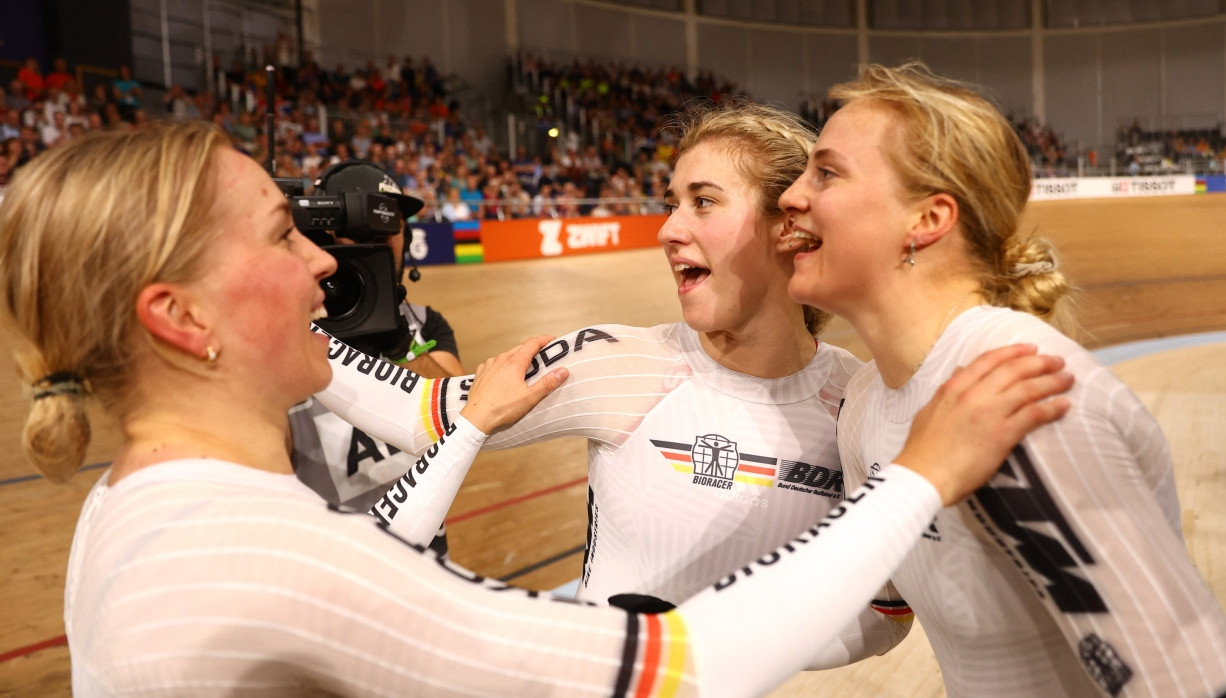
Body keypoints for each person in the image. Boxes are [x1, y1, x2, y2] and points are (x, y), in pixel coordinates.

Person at [0, 121, 1072, 697]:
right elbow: (681, 666)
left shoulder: (142, 508)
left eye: (704, 200)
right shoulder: (264, 555)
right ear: (179, 318)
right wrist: (921, 475)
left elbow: (377, 538)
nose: (328, 260)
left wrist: (461, 420)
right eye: (284, 234)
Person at [311, 102, 1061, 669]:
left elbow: (885, 616)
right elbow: (419, 415)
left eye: (702, 202)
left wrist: (696, 655)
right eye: (671, 201)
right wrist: (278, 317)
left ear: (786, 225)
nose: (668, 228)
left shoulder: (861, 405)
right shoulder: (613, 361)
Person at [777, 61, 1226, 697]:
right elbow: (881, 609)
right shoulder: (865, 403)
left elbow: (1183, 680)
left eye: (826, 172)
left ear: (928, 220)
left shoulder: (1020, 394)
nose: (790, 194)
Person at [290, 159, 465, 523]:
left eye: (390, 227)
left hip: (423, 553)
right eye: (360, 230)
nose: (379, 244)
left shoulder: (424, 323)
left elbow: (460, 423)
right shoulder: (285, 334)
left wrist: (401, 345)